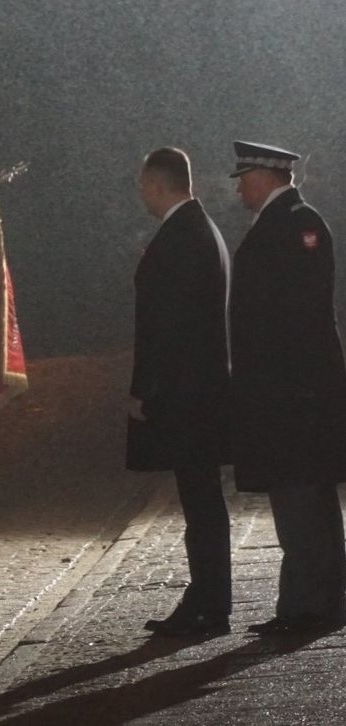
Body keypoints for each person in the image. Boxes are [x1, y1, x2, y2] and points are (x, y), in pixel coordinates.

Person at [228, 140, 346, 634]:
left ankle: (305, 607)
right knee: (308, 498)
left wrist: (270, 386)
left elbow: (295, 316)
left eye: (243, 179)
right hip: (293, 390)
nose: (239, 190)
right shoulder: (288, 223)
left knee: (301, 501)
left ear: (264, 176)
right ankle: (319, 599)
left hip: (291, 394)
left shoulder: (296, 224)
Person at [127, 147, 232, 636]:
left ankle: (209, 603)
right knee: (202, 502)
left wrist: (147, 389)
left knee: (201, 502)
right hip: (199, 391)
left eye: (143, 184)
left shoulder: (182, 237)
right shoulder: (198, 230)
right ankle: (208, 598)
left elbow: (169, 326)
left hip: (189, 396)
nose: (141, 193)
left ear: (157, 183)